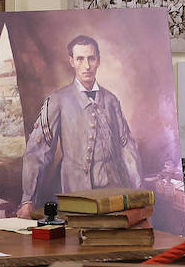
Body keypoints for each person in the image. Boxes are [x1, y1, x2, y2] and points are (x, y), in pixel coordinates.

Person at [19, 35, 141, 218]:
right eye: (80, 59)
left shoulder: (112, 100)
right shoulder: (57, 100)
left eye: (91, 58)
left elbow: (127, 148)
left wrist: (138, 193)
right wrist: (28, 200)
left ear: (98, 60)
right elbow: (38, 151)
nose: (86, 66)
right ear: (71, 61)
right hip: (75, 196)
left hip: (114, 195)